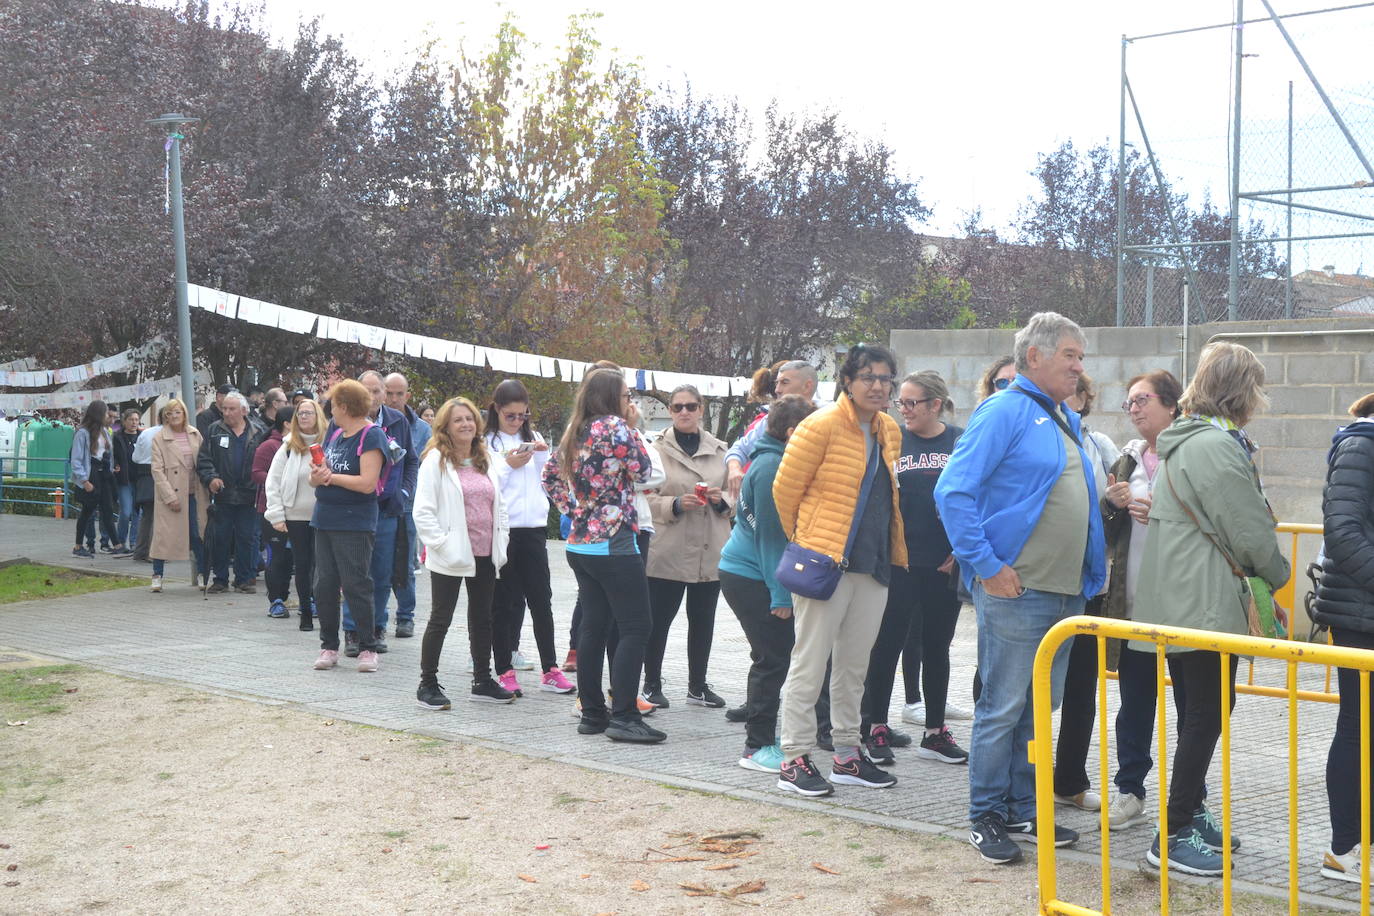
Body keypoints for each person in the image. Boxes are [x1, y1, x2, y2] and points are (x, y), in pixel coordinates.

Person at [935, 312, 1105, 865]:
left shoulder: (1062, 417)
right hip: (1017, 591)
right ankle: (985, 814)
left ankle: (1020, 806)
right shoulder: (1005, 409)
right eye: (1071, 356)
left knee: (1038, 710)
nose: (1080, 368)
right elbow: (953, 492)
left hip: (1064, 593)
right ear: (1035, 357)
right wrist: (986, 566)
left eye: (1081, 358)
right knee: (1003, 707)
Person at [1133, 341, 1289, 877]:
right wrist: (1278, 574)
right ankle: (1172, 833)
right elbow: (1248, 530)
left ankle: (1190, 814)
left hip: (1188, 594)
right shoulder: (1215, 446)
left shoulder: (1192, 439)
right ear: (1241, 391)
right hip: (1200, 598)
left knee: (1201, 713)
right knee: (1204, 715)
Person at [773, 342, 906, 797]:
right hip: (823, 562)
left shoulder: (889, 428)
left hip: (873, 564)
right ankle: (792, 758)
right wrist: (809, 540)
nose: (878, 385)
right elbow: (784, 492)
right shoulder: (821, 424)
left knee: (854, 665)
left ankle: (848, 754)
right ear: (847, 382)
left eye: (886, 378)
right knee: (809, 662)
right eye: (868, 376)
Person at [542, 368, 664, 743]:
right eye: (628, 396)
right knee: (636, 626)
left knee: (593, 626)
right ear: (615, 397)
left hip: (581, 542)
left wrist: (573, 510)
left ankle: (593, 712)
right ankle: (625, 715)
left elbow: (549, 476)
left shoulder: (575, 429)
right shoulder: (615, 427)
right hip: (614, 540)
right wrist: (630, 425)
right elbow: (645, 471)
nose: (632, 402)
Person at [862, 370, 969, 767]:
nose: (903, 410)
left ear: (935, 405)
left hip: (943, 564)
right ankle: (874, 726)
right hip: (900, 563)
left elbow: (974, 497)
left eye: (911, 403)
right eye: (900, 402)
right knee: (887, 645)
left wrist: (961, 550)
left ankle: (935, 731)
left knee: (937, 647)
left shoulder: (960, 440)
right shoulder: (892, 438)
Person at [1100, 369, 1187, 831]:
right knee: (1134, 705)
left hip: (1183, 609)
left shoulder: (1193, 454)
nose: (1134, 409)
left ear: (1172, 405)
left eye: (1143, 400)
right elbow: (1106, 533)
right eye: (1129, 402)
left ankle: (1191, 800)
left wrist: (1167, 515)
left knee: (1192, 711)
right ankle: (1129, 791)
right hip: (1132, 606)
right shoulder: (1126, 461)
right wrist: (1111, 505)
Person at [719, 394, 818, 773]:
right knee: (771, 658)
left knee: (774, 656)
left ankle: (764, 738)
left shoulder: (773, 460)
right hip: (751, 576)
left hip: (756, 573)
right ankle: (756, 747)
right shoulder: (771, 468)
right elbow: (770, 540)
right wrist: (781, 595)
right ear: (793, 431)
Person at [1050, 372, 1120, 813]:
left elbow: (1112, 507)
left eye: (1077, 391)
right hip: (1042, 579)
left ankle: (1070, 778)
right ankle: (1020, 776)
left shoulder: (1102, 446)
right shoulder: (1037, 436)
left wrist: (1114, 503)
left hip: (1089, 580)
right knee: (1025, 684)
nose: (1069, 398)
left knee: (1081, 686)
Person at [412, 397, 512, 707]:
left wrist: (503, 541)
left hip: (486, 552)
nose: (466, 424)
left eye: (469, 418)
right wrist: (442, 545)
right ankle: (427, 683)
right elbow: (423, 512)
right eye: (458, 420)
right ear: (445, 426)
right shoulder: (435, 461)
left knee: (483, 618)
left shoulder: (487, 459)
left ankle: (482, 679)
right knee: (440, 618)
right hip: (451, 554)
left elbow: (500, 505)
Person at [641, 384, 733, 709]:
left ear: (701, 409)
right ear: (669, 410)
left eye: (691, 406)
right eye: (678, 406)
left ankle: (698, 685)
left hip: (709, 548)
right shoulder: (655, 450)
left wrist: (723, 501)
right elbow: (643, 499)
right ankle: (651, 683)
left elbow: (738, 496)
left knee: (703, 619)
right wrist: (676, 503)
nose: (684, 412)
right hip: (669, 549)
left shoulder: (722, 451)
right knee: (658, 619)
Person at [1315, 392, 1374, 884]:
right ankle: (1344, 849)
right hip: (1359, 616)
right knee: (1358, 728)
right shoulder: (1361, 445)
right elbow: (1342, 531)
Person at [484, 380, 574, 696]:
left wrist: (543, 456)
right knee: (503, 603)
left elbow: (547, 478)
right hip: (503, 530)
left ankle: (550, 668)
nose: (518, 421)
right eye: (511, 416)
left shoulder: (532, 436)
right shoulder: (487, 442)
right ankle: (504, 669)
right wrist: (507, 464)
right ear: (497, 410)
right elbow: (486, 484)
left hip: (534, 529)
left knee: (541, 599)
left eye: (523, 415)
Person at [309, 379, 391, 674]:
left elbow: (368, 483)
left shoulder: (372, 436)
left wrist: (330, 477)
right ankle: (329, 645)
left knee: (357, 583)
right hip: (325, 517)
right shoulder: (335, 435)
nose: (329, 409)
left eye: (332, 404)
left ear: (344, 406)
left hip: (354, 521)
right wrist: (317, 477)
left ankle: (368, 647)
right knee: (324, 584)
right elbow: (320, 475)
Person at [340, 370, 416, 656]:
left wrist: (404, 493)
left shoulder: (398, 422)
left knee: (383, 573)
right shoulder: (346, 423)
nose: (372, 396)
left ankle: (377, 627)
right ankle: (352, 630)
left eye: (377, 391)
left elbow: (410, 462)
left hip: (387, 509)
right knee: (355, 572)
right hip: (355, 508)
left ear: (385, 393)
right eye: (366, 390)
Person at [197, 390, 265, 593]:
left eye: (231, 409)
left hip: (249, 494)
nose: (226, 413)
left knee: (247, 538)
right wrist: (211, 478)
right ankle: (220, 579)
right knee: (220, 537)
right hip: (223, 495)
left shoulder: (258, 432)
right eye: (224, 408)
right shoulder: (213, 430)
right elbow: (204, 460)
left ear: (244, 411)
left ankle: (243, 579)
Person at [265, 400, 323, 631]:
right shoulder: (288, 446)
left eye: (309, 413)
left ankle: (320, 604)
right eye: (300, 414)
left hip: (323, 514)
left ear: (318, 416)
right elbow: (273, 482)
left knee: (322, 565)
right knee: (302, 563)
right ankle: (306, 613)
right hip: (296, 514)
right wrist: (277, 514)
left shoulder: (329, 442)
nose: (305, 417)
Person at [382, 372, 431, 638]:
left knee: (405, 563)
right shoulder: (375, 422)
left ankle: (405, 616)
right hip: (378, 504)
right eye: (388, 393)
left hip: (408, 505)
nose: (393, 399)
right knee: (378, 564)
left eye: (399, 394)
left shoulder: (421, 429)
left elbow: (424, 467)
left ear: (407, 396)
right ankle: (379, 617)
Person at [726, 360, 819, 499]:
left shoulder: (830, 421)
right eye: (777, 383)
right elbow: (740, 448)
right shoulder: (769, 420)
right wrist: (734, 469)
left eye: (784, 382)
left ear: (807, 386)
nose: (777, 390)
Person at [148, 400, 208, 591]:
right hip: (171, 494)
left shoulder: (194, 434)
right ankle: (157, 575)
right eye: (169, 413)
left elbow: (204, 461)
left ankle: (202, 573)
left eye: (177, 412)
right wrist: (169, 497)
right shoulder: (159, 438)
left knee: (198, 534)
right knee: (163, 536)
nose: (173, 416)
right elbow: (157, 471)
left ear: (184, 413)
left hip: (195, 492)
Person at [69, 400, 126, 558]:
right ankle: (78, 546)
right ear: (98, 413)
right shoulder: (82, 432)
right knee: (87, 511)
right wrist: (84, 481)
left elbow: (106, 454)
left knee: (107, 509)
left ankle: (117, 545)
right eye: (106, 412)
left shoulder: (105, 431)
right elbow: (76, 459)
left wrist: (112, 467)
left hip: (104, 474)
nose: (108, 416)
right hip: (91, 474)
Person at [252, 406, 294, 618]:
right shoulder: (269, 446)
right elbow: (256, 472)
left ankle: (299, 597)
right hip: (272, 511)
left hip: (298, 512)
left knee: (294, 558)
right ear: (287, 423)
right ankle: (275, 600)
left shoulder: (305, 445)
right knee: (276, 557)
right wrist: (277, 483)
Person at [130, 417, 161, 562]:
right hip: (159, 475)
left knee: (147, 516)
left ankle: (140, 551)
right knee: (158, 516)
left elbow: (135, 458)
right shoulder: (168, 434)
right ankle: (152, 552)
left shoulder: (145, 433)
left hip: (143, 476)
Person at [112, 408, 143, 551]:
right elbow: (112, 456)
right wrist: (115, 465)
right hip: (124, 480)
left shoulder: (143, 436)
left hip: (140, 479)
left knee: (138, 512)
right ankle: (120, 541)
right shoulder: (117, 437)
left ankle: (134, 542)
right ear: (124, 421)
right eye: (131, 420)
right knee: (126, 511)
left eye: (136, 420)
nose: (134, 423)